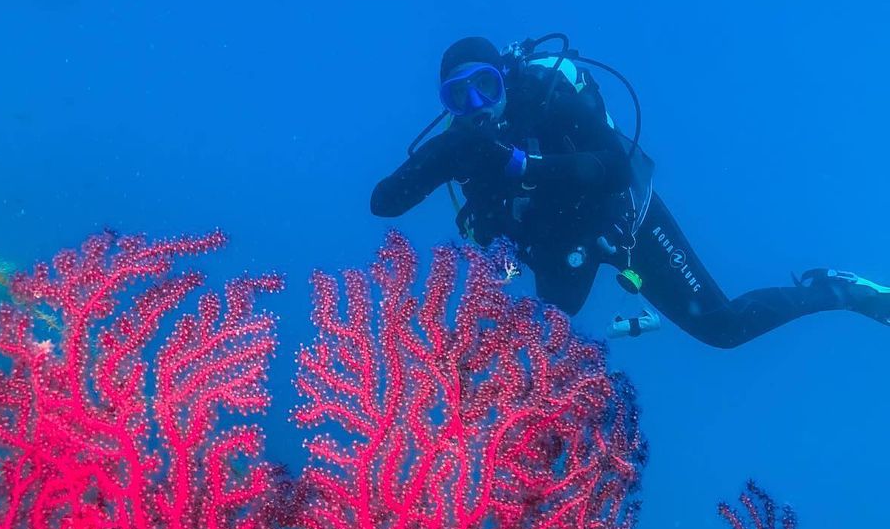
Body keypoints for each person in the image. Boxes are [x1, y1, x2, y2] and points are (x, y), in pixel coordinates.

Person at [370, 34, 890, 346]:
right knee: (547, 337)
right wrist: (441, 155)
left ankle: (838, 291)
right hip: (557, 252)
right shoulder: (457, 144)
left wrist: (519, 164)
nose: (477, 103)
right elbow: (383, 203)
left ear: (504, 78)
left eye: (485, 85)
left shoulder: (546, 99)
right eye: (458, 96)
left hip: (626, 225)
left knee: (723, 329)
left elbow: (617, 168)